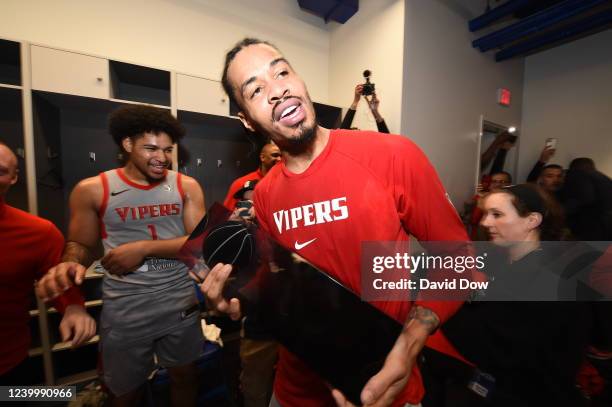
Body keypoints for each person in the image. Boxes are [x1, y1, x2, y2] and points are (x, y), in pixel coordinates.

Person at [200, 37, 469, 407]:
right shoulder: (264, 194)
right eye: (257, 89)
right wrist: (241, 304)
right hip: (294, 392)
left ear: (299, 78)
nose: (277, 89)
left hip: (382, 386)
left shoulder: (394, 155)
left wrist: (410, 344)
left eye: (281, 71)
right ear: (247, 119)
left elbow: (461, 259)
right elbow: (283, 288)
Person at [34, 106, 206, 406]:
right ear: (127, 144)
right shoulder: (92, 190)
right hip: (126, 307)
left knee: (185, 375)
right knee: (126, 391)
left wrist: (143, 248)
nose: (162, 157)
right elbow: (80, 244)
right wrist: (70, 263)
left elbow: (199, 242)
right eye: (151, 148)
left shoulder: (185, 186)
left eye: (167, 150)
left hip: (178, 301)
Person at [423, 184, 593, 407]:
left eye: (497, 215)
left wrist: (436, 311)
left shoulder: (550, 279)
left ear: (532, 221)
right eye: (485, 214)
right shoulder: (504, 260)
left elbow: (494, 343)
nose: (485, 222)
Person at [0, 141, 95, 385]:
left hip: (8, 366)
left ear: (13, 177)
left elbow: (59, 280)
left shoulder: (39, 232)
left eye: (0, 170)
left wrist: (74, 308)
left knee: (41, 395)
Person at [561, 157, 612, 240]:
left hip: (592, 226)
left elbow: (585, 197)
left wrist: (563, 211)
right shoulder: (605, 179)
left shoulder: (578, 175)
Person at [224, 142, 281, 210]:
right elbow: (226, 214)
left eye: (282, 156)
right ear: (262, 157)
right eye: (275, 155)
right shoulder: (241, 183)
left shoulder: (285, 181)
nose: (279, 159)